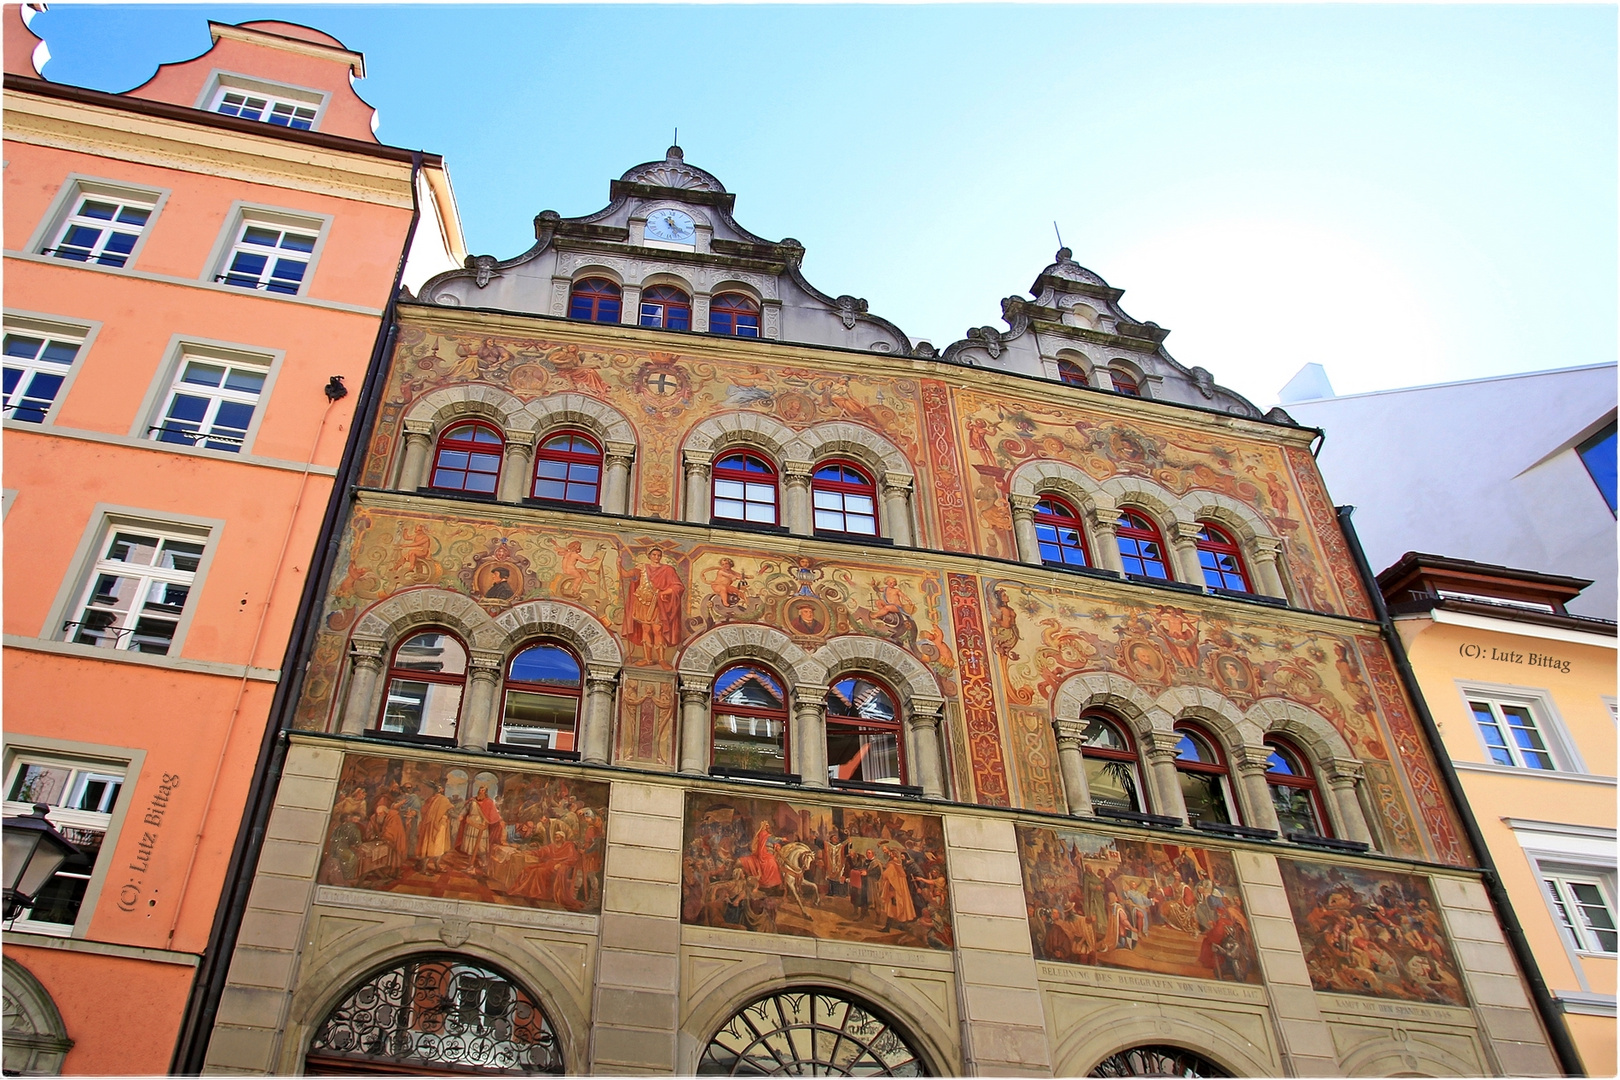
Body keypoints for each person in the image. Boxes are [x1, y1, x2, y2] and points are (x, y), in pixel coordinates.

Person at [622, 548, 685, 663]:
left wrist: (664, 593)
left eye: (659, 555)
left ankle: (661, 659)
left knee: (657, 630)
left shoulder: (668, 570)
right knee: (646, 629)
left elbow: (678, 587)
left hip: (659, 604)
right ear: (649, 556)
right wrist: (618, 564)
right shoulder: (642, 568)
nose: (656, 557)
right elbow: (626, 574)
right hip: (642, 603)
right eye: (654, 555)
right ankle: (647, 659)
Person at [416, 781, 453, 873]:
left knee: (437, 847)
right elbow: (450, 811)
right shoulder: (440, 799)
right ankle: (424, 869)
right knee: (431, 847)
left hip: (436, 826)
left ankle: (436, 866)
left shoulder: (435, 799)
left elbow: (424, 811)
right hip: (435, 826)